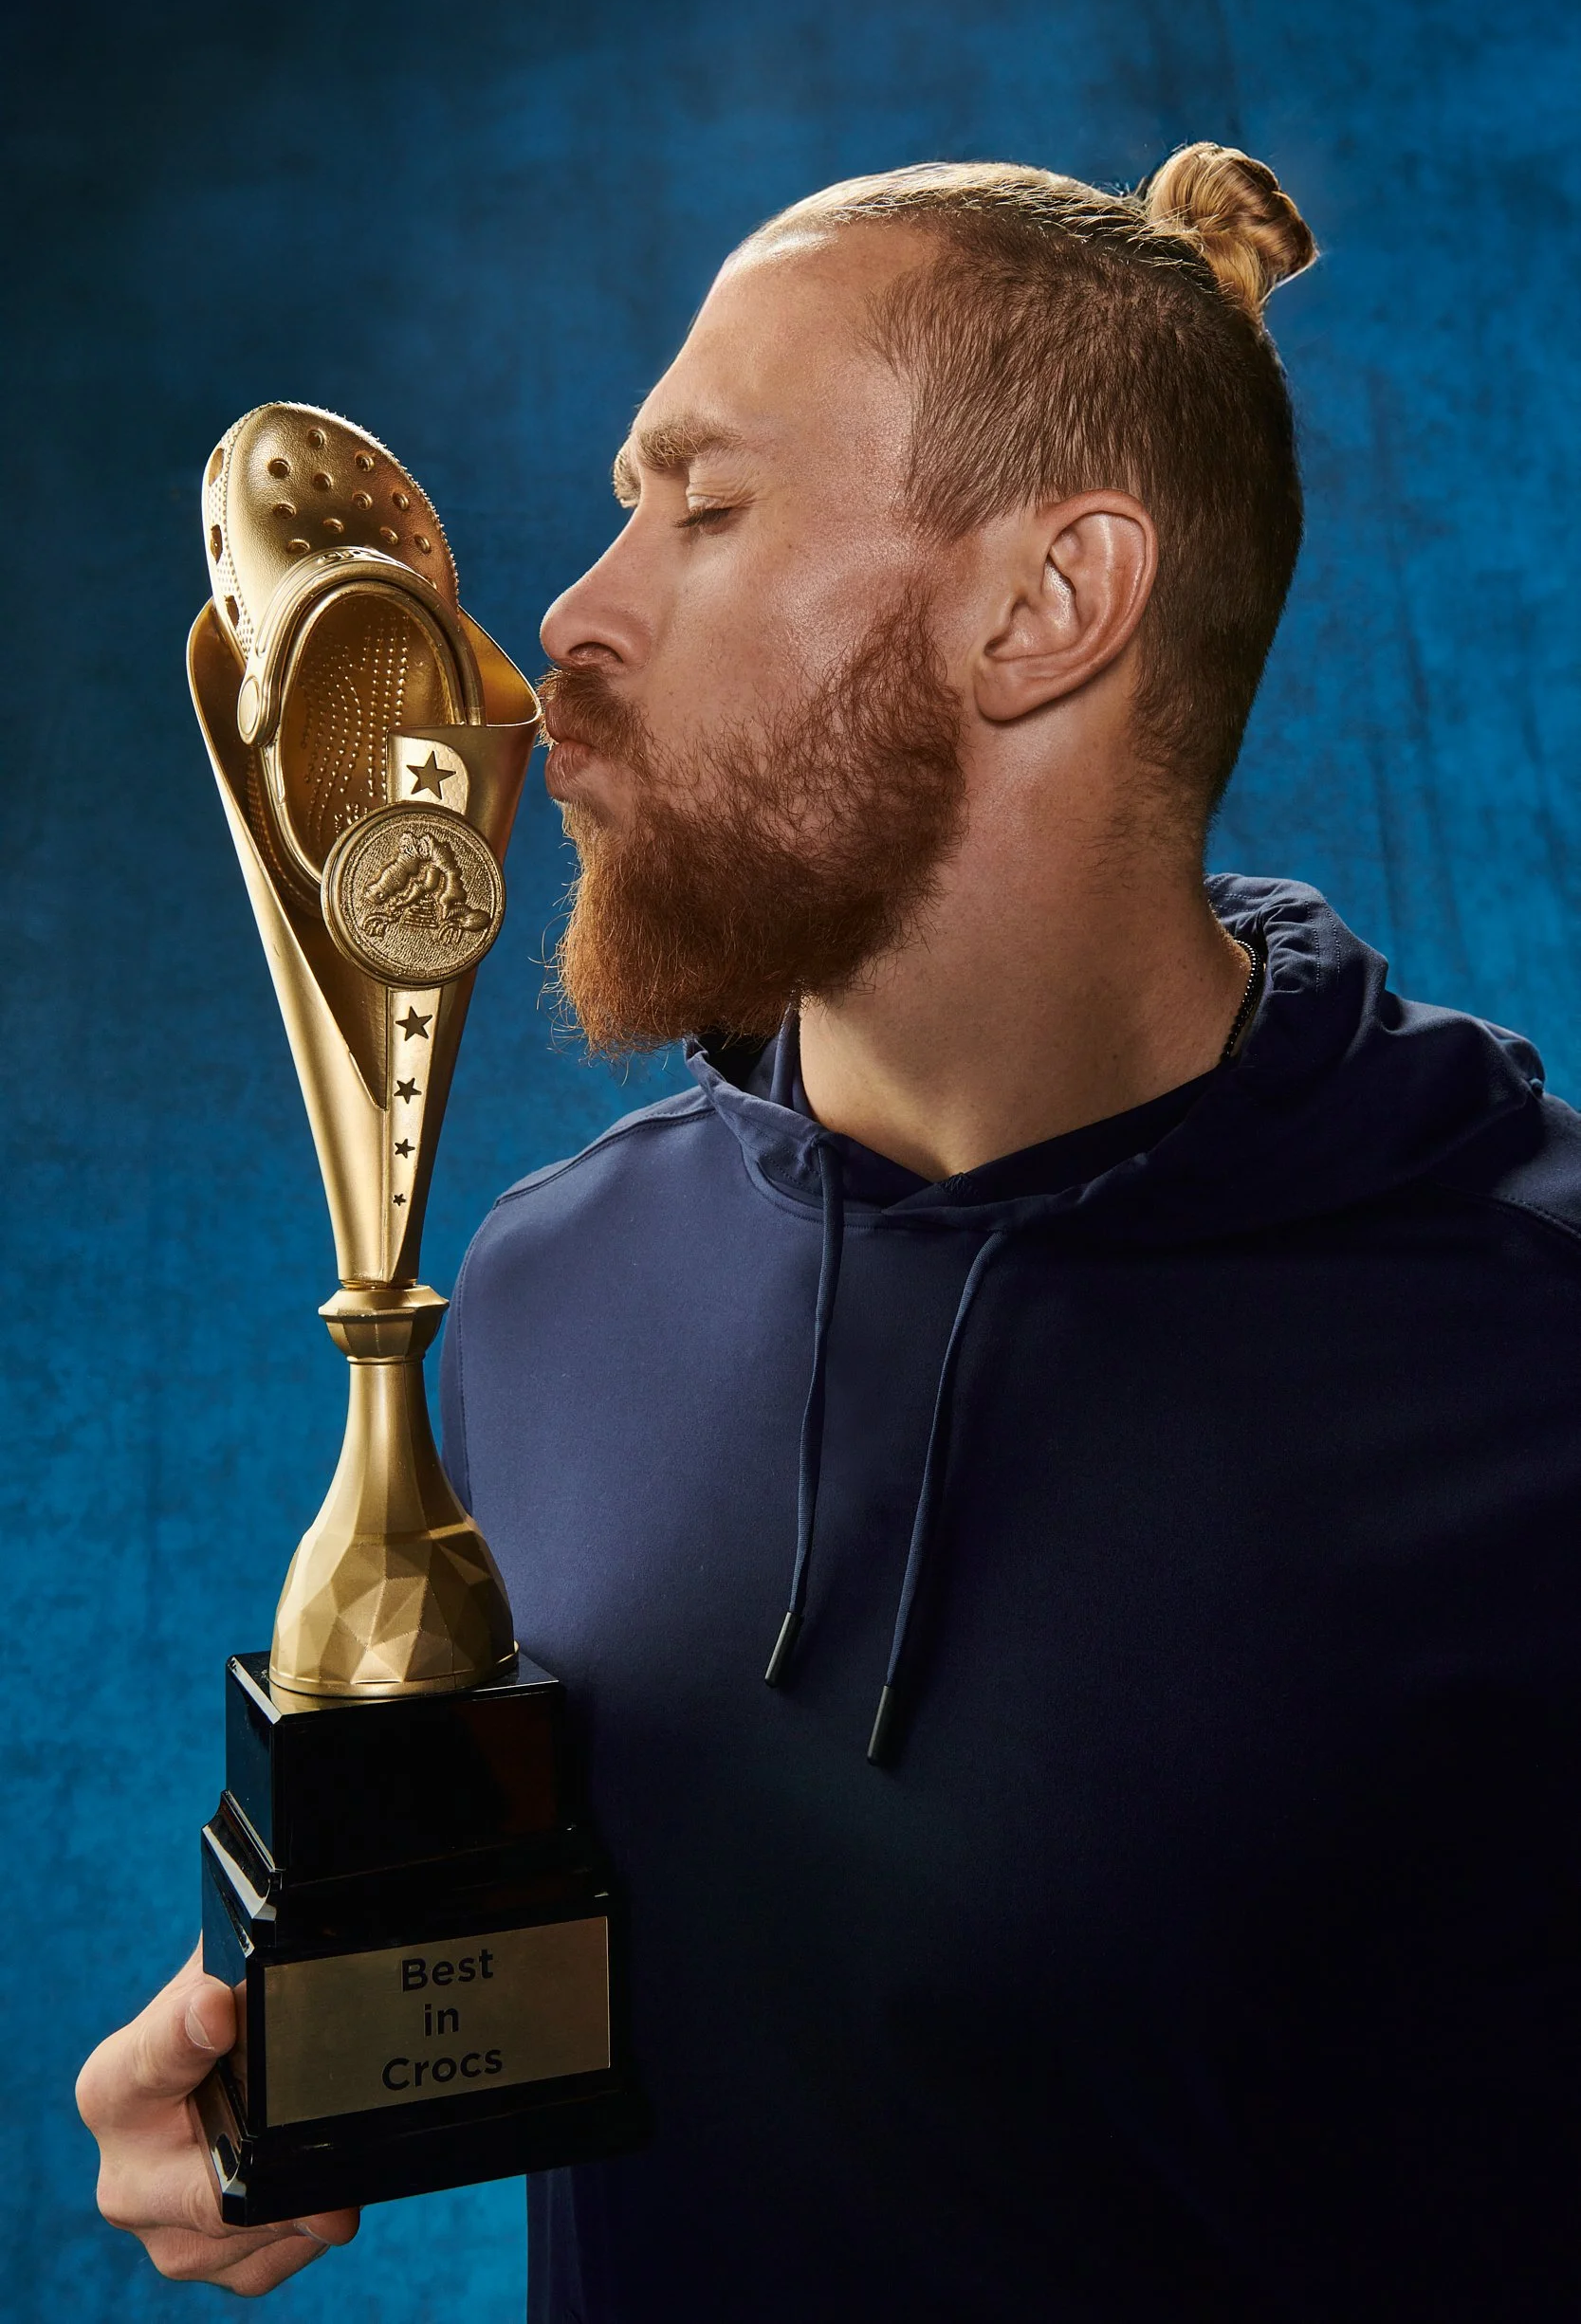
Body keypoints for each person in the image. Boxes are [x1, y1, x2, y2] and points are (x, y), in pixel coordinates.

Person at [78, 147, 1581, 2320]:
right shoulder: (542, 1286)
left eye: (702, 510)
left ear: (1044, 602)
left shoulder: (1530, 1355)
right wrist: (272, 2067)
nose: (568, 617)